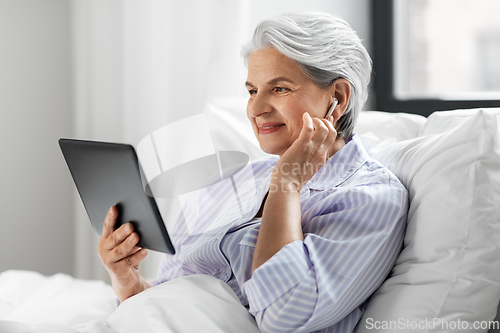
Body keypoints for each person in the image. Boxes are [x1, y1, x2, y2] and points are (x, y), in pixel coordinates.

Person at [98, 11, 408, 333]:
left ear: (338, 97)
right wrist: (129, 282)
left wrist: (286, 185)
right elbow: (170, 296)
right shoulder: (228, 182)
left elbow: (282, 315)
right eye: (251, 91)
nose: (256, 109)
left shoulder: (370, 199)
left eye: (280, 89)